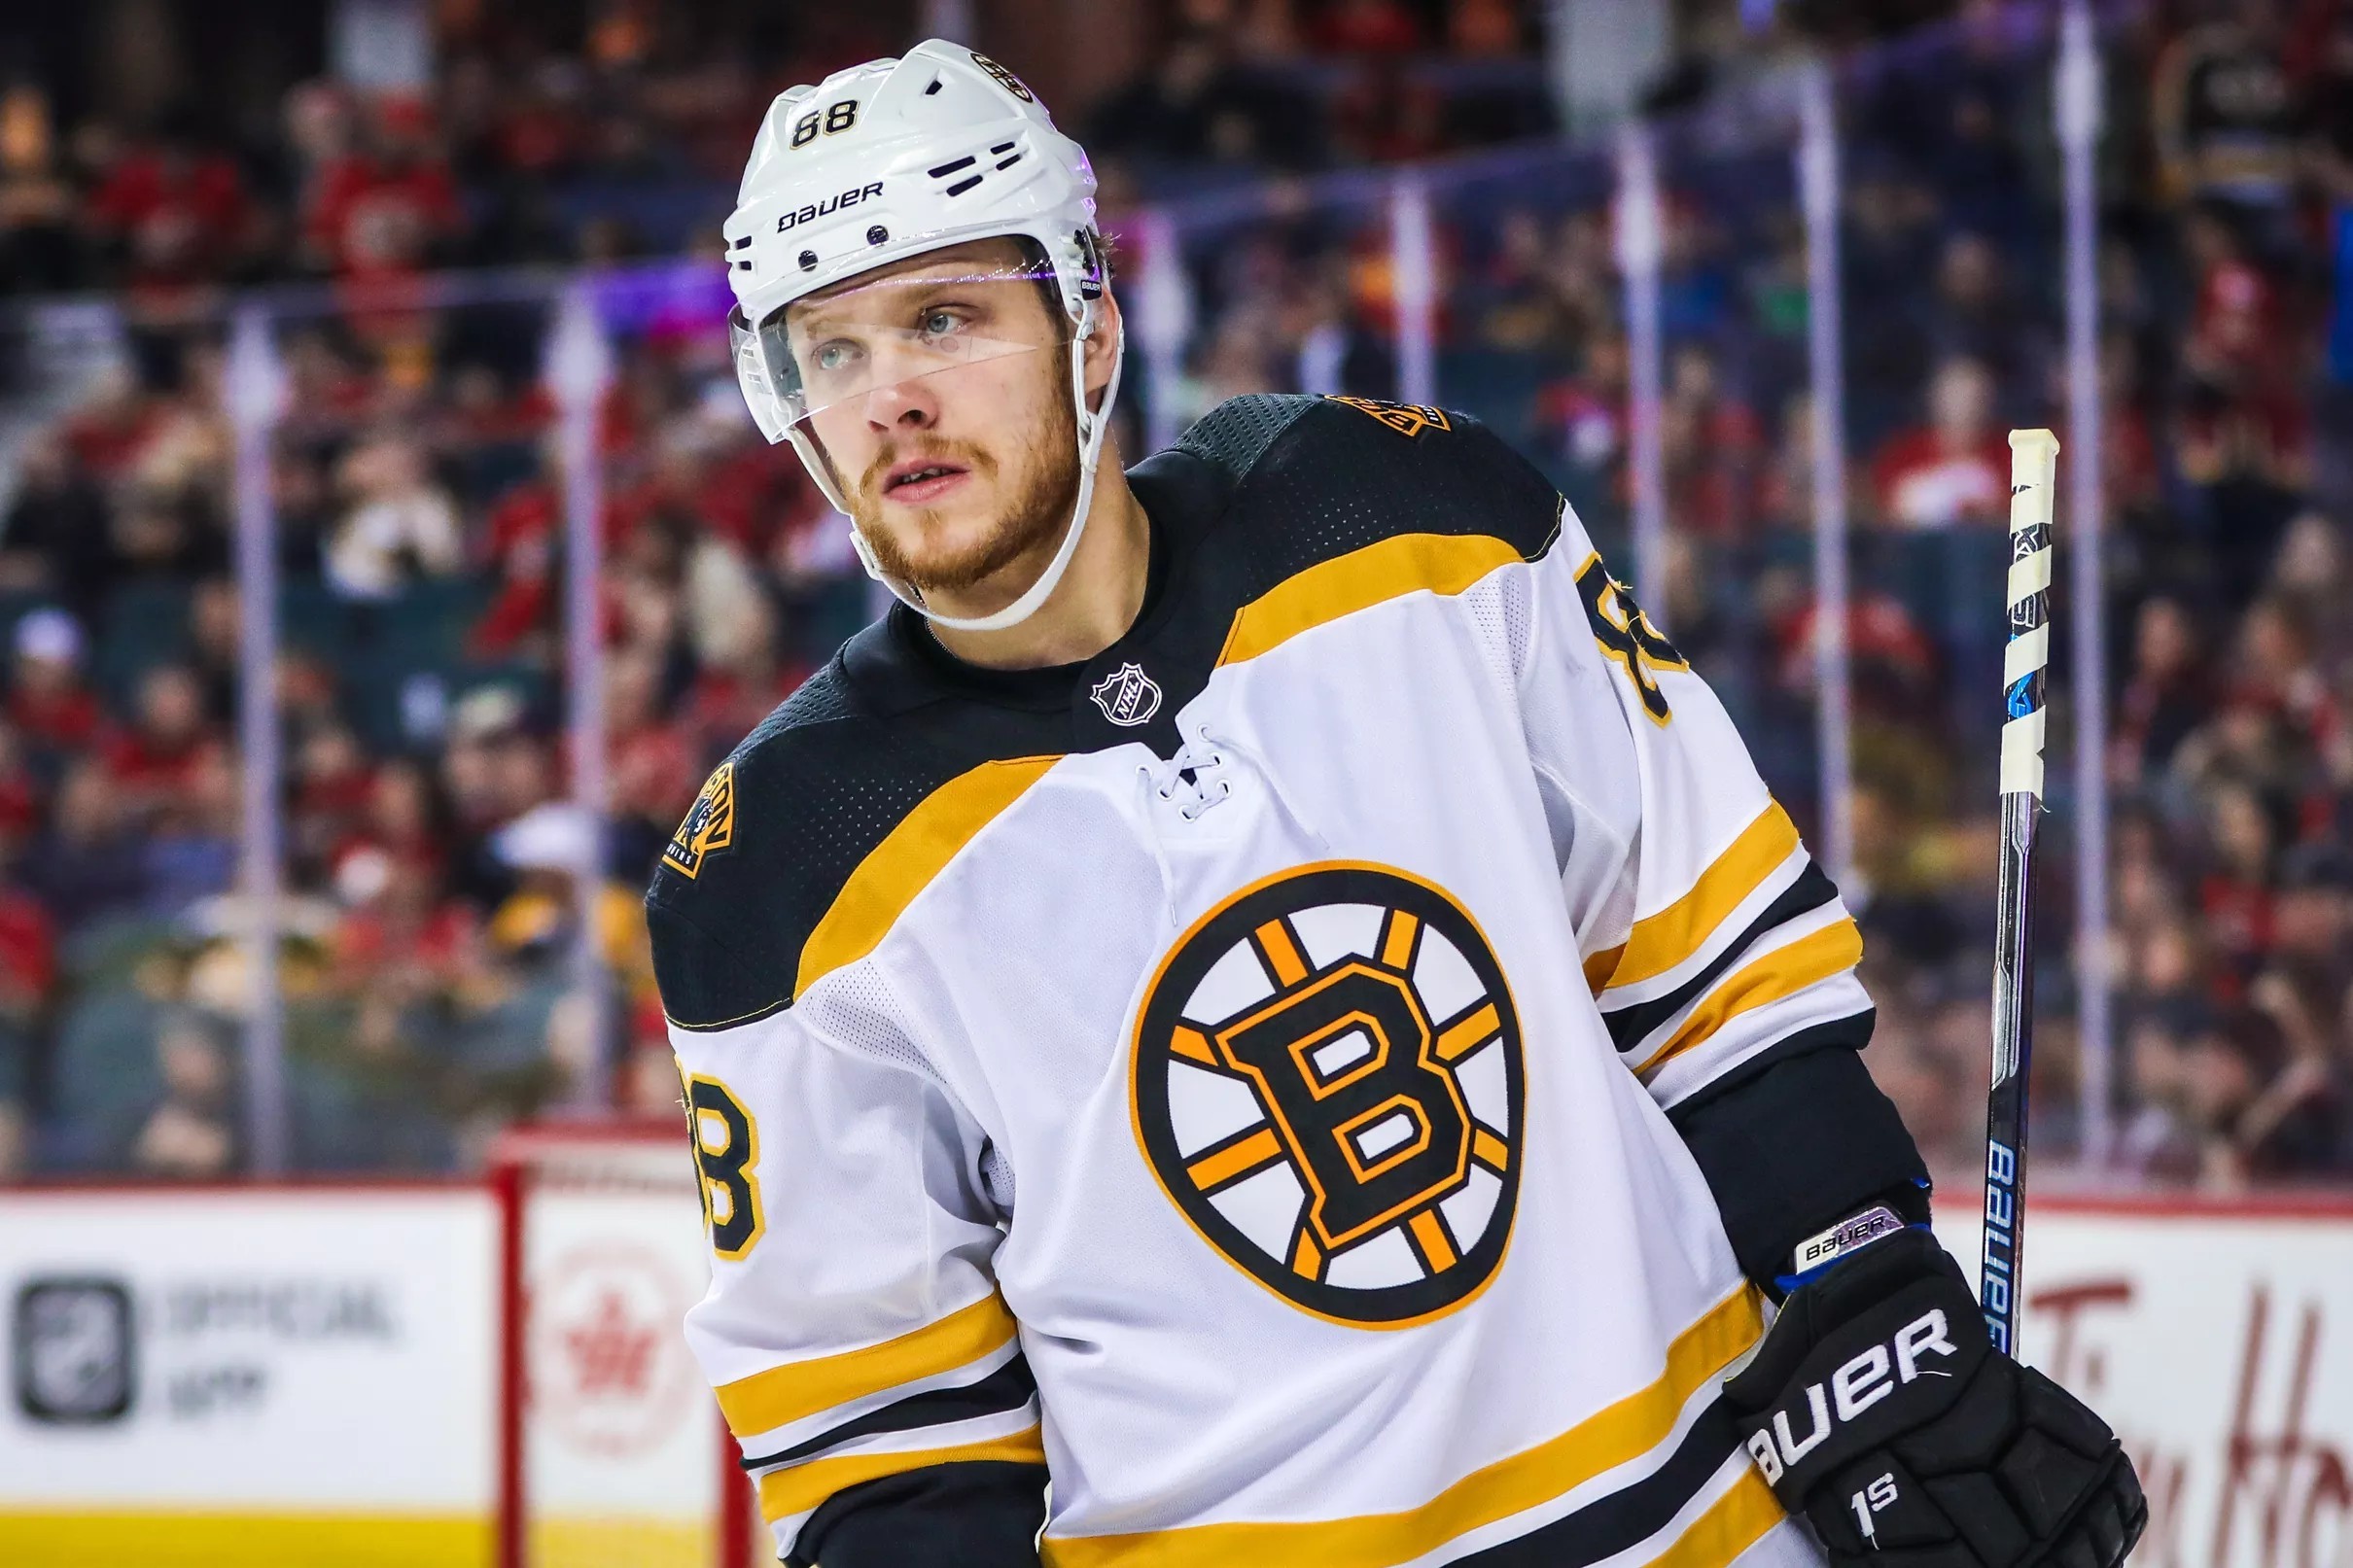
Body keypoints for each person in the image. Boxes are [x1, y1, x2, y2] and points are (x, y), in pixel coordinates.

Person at [648, 41, 2146, 1568]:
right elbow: (890, 1442)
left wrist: (1869, 1303)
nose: (889, 397)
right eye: (830, 352)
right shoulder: (775, 881)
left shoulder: (1403, 525)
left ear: (1088, 329)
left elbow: (1712, 975)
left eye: (944, 317)